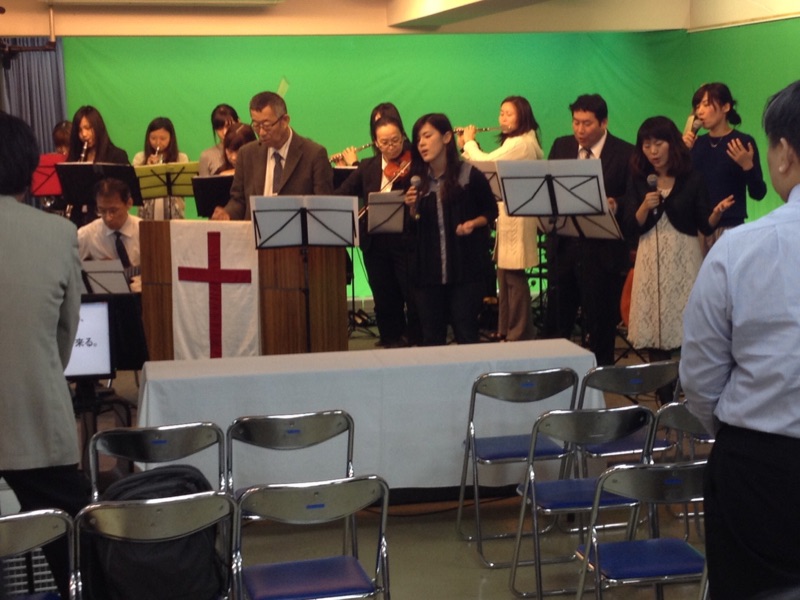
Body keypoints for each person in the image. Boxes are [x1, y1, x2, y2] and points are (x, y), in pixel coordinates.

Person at [680, 80, 800, 600]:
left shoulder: (740, 249)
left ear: (784, 153)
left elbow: (700, 378)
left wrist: (737, 429)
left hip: (763, 470)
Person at [0, 111, 89, 600]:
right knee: (75, 557)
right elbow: (64, 336)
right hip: (35, 416)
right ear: (28, 166)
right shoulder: (58, 233)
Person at [621, 116, 731, 402]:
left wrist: (717, 213)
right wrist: (644, 206)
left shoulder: (692, 178)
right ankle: (665, 400)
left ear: (672, 143)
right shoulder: (639, 179)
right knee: (655, 330)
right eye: (647, 145)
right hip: (650, 258)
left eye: (658, 143)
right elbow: (629, 226)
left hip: (684, 258)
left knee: (686, 327)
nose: (653, 151)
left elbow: (704, 224)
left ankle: (691, 395)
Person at [544, 93, 634, 365]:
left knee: (600, 325)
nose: (579, 130)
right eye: (575, 122)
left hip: (602, 253)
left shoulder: (625, 153)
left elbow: (634, 196)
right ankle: (555, 375)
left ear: (604, 123)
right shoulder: (561, 146)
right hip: (564, 248)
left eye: (587, 123)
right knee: (557, 323)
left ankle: (599, 380)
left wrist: (615, 204)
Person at [404, 113, 498, 346]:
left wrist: (472, 224)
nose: (422, 144)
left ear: (446, 137)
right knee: (432, 338)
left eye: (427, 136)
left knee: (466, 334)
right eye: (418, 139)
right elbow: (412, 228)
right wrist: (411, 208)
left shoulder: (469, 175)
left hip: (465, 272)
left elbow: (490, 211)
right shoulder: (416, 182)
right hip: (428, 274)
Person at [459, 95, 544, 341]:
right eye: (501, 113)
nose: (503, 118)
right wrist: (468, 146)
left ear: (522, 116)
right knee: (504, 275)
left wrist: (470, 143)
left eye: (509, 113)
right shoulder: (515, 142)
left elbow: (486, 163)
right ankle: (506, 329)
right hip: (509, 216)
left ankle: (519, 333)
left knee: (515, 277)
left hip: (519, 217)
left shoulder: (522, 143)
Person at [336, 112, 418, 347]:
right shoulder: (367, 166)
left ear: (403, 137)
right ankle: (389, 338)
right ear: (375, 142)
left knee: (411, 292)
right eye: (384, 142)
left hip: (406, 239)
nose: (391, 147)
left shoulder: (414, 164)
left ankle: (413, 337)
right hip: (375, 243)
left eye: (395, 140)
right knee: (383, 295)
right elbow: (343, 193)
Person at [212, 91, 333, 220]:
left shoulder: (314, 155)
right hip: (254, 229)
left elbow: (323, 207)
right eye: (256, 125)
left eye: (267, 125)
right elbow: (239, 201)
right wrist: (227, 213)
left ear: (285, 121)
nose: (261, 133)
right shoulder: (247, 154)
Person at [683, 82, 767, 254]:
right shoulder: (696, 144)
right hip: (698, 227)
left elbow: (758, 193)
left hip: (730, 227)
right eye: (697, 107)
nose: (700, 112)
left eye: (706, 105)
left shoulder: (742, 142)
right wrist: (682, 153)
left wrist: (748, 166)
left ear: (726, 107)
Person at [65, 105, 129, 226]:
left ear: (98, 127)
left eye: (88, 128)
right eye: (79, 130)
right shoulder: (75, 157)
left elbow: (125, 190)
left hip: (106, 219)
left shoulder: (116, 155)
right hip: (79, 220)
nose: (84, 134)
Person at [78, 177, 142, 275]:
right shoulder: (87, 234)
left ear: (129, 203)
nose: (108, 218)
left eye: (113, 210)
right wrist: (95, 268)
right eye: (102, 211)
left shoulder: (144, 231)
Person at [132, 116, 190, 220]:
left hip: (174, 215)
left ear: (171, 138)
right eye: (153, 138)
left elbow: (185, 188)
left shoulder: (181, 158)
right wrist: (147, 168)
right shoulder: (139, 158)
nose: (158, 142)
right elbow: (134, 188)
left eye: (163, 139)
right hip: (146, 215)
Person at [198, 103, 239, 177]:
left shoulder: (249, 149)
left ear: (238, 122)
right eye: (219, 128)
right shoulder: (206, 156)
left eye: (228, 126)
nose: (225, 132)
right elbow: (203, 184)